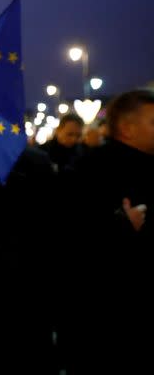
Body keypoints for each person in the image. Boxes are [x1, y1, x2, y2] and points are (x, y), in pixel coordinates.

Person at [58, 89, 154, 374]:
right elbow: (71, 238)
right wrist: (120, 227)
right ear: (127, 127)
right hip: (107, 320)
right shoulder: (90, 170)